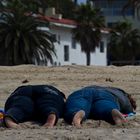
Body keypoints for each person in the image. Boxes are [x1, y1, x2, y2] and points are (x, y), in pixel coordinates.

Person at [64, 85, 136, 128]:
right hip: (106, 96)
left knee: (77, 105)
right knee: (105, 107)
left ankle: (77, 112)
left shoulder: (114, 89)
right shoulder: (123, 95)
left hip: (82, 92)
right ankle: (111, 111)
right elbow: (129, 110)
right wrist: (130, 110)